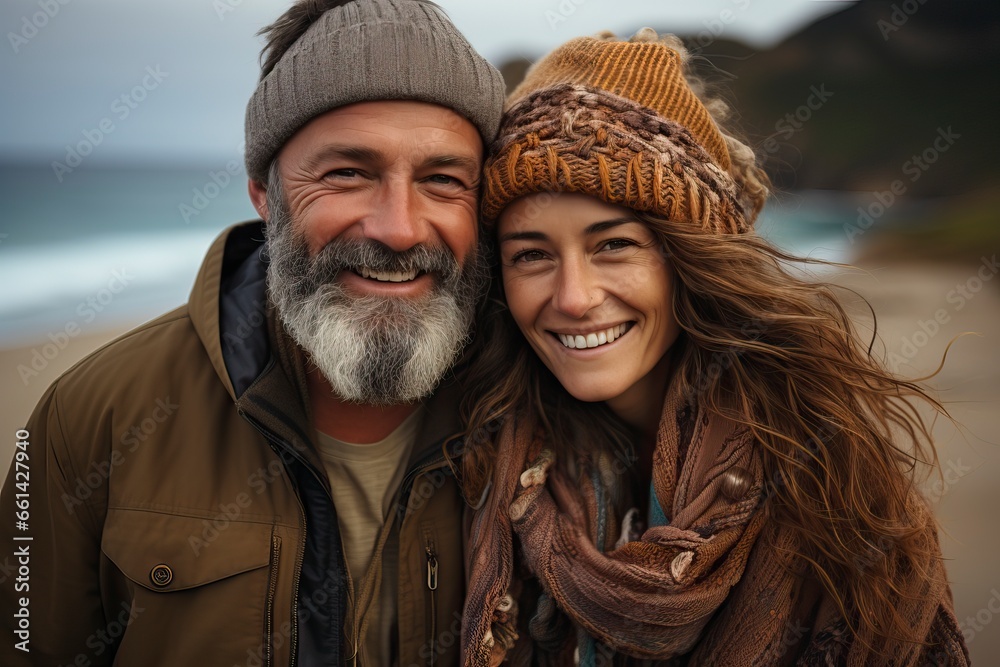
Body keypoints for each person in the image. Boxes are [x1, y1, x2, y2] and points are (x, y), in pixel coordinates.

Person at [0, 1, 504, 665]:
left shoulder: (533, 407)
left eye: (443, 180)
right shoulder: (88, 419)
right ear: (264, 193)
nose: (399, 228)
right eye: (347, 173)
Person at [457, 29, 969, 666]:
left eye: (613, 244)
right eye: (530, 254)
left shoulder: (833, 490)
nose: (573, 297)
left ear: (691, 259)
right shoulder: (477, 463)